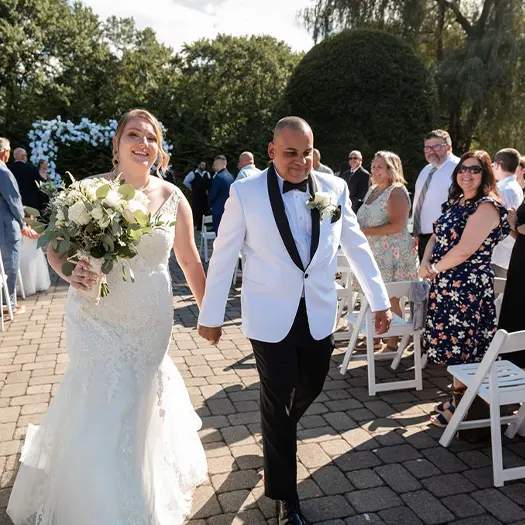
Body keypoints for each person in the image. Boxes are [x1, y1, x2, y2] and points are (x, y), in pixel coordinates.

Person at [7, 109, 208, 525]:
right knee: (99, 399)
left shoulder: (173, 197)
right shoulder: (85, 192)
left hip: (150, 320)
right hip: (94, 316)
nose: (143, 143)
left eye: (151, 137)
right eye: (133, 135)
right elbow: (54, 248)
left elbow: (188, 259)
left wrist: (210, 311)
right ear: (116, 143)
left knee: (135, 401)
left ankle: (136, 487)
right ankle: (92, 499)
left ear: (159, 148)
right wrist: (69, 271)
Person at [197, 117, 391, 525]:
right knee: (278, 398)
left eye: (306, 153)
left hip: (319, 313)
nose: (300, 162)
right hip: (269, 316)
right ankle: (287, 499)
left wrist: (379, 300)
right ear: (271, 151)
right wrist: (210, 314)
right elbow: (224, 254)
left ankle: (274, 434)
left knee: (313, 384)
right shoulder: (245, 193)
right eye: (290, 153)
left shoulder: (334, 188)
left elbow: (355, 245)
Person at [419, 150, 509, 427]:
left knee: (464, 349)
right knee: (452, 347)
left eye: (475, 169)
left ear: (485, 175)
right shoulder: (456, 202)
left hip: (467, 289)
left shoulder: (486, 206)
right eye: (462, 169)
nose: (466, 174)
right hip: (446, 285)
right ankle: (458, 397)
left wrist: (433, 269)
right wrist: (424, 261)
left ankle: (463, 406)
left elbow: (465, 250)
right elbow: (435, 236)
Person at [356, 151, 418, 351]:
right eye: (373, 165)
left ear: (391, 169)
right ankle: (378, 336)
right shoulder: (373, 189)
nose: (374, 169)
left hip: (393, 253)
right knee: (375, 296)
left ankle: (393, 342)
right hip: (374, 251)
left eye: (380, 166)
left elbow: (397, 226)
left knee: (391, 297)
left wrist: (364, 232)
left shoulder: (397, 191)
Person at [0, 138, 36, 315]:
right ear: (4, 152)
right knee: (10, 266)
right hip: (6, 226)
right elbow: (14, 201)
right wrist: (23, 223)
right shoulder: (3, 171)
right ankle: (8, 304)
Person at [412, 130, 460, 261]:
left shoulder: (459, 168)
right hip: (424, 237)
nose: (431, 151)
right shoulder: (426, 170)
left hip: (446, 237)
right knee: (427, 279)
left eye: (436, 147)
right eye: (427, 147)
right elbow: (420, 203)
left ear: (449, 147)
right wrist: (416, 232)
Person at [498, 201, 525, 367]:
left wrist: (514, 222)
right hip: (519, 263)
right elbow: (519, 233)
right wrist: (512, 223)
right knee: (516, 314)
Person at [491, 148, 523, 277]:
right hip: (506, 252)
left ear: (498, 164)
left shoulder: (502, 190)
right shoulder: (515, 187)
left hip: (500, 253)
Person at [9, 147, 43, 211]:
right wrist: (43, 205)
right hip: (31, 204)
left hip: (13, 204)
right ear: (23, 156)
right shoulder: (32, 169)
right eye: (26, 155)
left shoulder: (8, 169)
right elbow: (39, 187)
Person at [208, 154, 234, 233]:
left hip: (218, 211)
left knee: (219, 235)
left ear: (218, 165)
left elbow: (213, 194)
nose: (214, 167)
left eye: (215, 165)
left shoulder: (218, 177)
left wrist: (210, 204)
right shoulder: (231, 176)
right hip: (229, 209)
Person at [183, 161, 211, 231]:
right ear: (198, 165)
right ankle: (196, 225)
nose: (203, 166)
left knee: (204, 210)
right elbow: (185, 182)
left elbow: (209, 183)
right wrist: (192, 188)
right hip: (196, 195)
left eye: (204, 165)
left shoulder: (207, 174)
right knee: (196, 210)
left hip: (204, 196)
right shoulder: (193, 173)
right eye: (202, 165)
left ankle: (203, 226)